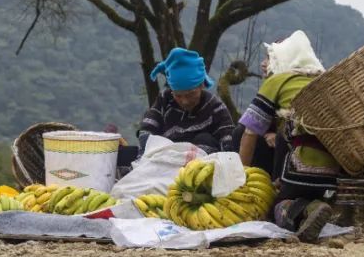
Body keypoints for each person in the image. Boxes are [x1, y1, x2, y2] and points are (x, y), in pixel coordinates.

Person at [236, 30, 339, 243]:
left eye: (270, 58)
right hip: (334, 174)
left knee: (279, 206)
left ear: (280, 59)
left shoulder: (278, 81)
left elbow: (249, 131)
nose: (265, 64)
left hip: (298, 169)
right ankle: (315, 204)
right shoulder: (327, 83)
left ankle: (300, 209)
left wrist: (240, 178)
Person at [136, 47, 235, 155]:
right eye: (178, 96)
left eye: (190, 94)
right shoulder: (164, 100)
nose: (185, 101)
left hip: (202, 163)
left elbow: (228, 141)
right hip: (168, 158)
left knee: (204, 139)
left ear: (201, 85)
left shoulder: (215, 107)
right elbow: (148, 128)